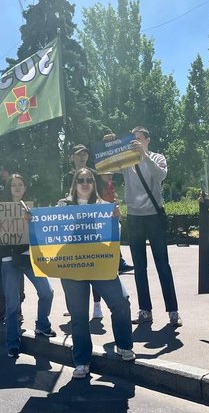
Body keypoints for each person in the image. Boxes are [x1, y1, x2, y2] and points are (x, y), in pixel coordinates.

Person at [57, 168, 135, 378]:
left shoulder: (103, 206)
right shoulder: (62, 205)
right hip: (72, 266)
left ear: (94, 184)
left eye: (89, 180)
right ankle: (81, 361)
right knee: (79, 315)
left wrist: (116, 219)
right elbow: (51, 232)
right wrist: (31, 221)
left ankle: (124, 345)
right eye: (80, 180)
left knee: (121, 301)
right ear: (74, 183)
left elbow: (114, 236)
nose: (85, 183)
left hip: (100, 264)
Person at [107, 127, 181, 327]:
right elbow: (107, 167)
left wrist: (144, 155)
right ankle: (145, 310)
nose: (135, 142)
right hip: (135, 217)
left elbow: (160, 176)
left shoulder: (157, 157)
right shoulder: (126, 160)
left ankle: (173, 311)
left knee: (162, 265)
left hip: (155, 216)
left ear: (147, 140)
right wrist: (112, 146)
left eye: (139, 139)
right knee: (140, 267)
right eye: (132, 139)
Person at [0, 173, 55, 358]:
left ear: (25, 188)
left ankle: (42, 325)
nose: (16, 187)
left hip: (29, 258)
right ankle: (13, 342)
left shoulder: (31, 209)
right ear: (9, 188)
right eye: (13, 184)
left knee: (47, 292)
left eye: (20, 184)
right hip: (8, 259)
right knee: (13, 304)